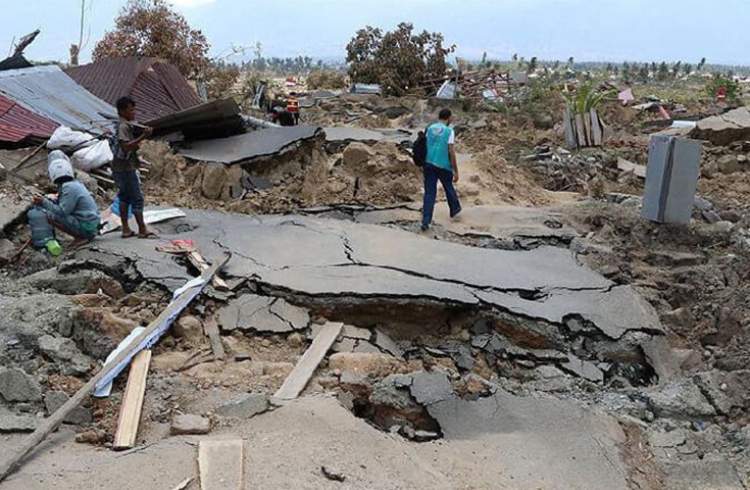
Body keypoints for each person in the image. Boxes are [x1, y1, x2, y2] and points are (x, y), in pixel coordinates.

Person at [27, 150, 101, 253]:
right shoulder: (72, 184)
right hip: (91, 224)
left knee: (50, 215)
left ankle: (81, 237)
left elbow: (62, 212)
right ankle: (80, 235)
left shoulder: (69, 188)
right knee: (51, 211)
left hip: (88, 228)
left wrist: (44, 202)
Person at [112, 96, 156, 239]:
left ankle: (126, 229)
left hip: (119, 167)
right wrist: (143, 136)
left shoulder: (122, 124)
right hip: (125, 168)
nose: (134, 112)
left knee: (124, 197)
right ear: (123, 111)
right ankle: (142, 229)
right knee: (137, 198)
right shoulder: (123, 126)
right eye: (131, 110)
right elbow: (125, 147)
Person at [421, 108, 461, 231]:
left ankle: (426, 221)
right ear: (448, 118)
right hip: (443, 165)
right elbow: (451, 151)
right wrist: (455, 170)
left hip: (428, 163)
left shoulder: (430, 128)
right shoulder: (449, 131)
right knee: (448, 187)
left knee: (429, 193)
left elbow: (424, 145)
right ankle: (455, 211)